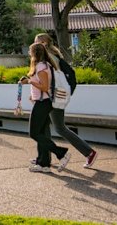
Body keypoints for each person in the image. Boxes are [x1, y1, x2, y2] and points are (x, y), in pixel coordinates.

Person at [34, 33, 97, 168]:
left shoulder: (50, 58)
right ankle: (43, 159)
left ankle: (89, 152)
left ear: (43, 44)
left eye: (36, 43)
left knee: (59, 128)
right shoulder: (53, 56)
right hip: (53, 96)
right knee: (45, 127)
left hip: (53, 97)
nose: (34, 46)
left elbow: (49, 79)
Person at [20, 42, 70, 173]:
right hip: (42, 101)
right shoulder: (43, 65)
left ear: (35, 53)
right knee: (41, 133)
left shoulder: (41, 66)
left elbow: (44, 86)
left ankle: (61, 153)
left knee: (34, 133)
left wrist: (29, 81)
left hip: (43, 103)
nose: (29, 54)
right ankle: (44, 164)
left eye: (30, 52)